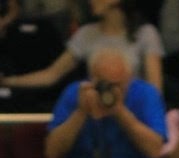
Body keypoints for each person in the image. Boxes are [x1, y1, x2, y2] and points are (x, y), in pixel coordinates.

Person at [45, 47, 166, 158]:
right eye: (105, 84)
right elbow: (52, 152)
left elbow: (154, 150)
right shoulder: (75, 93)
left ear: (129, 78)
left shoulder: (147, 94)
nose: (110, 91)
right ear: (92, 79)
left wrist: (120, 112)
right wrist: (80, 113)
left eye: (118, 85)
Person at [1, 0, 164, 94]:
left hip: (135, 115)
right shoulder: (86, 33)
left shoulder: (146, 33)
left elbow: (154, 91)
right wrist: (6, 81)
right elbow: (51, 75)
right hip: (96, 114)